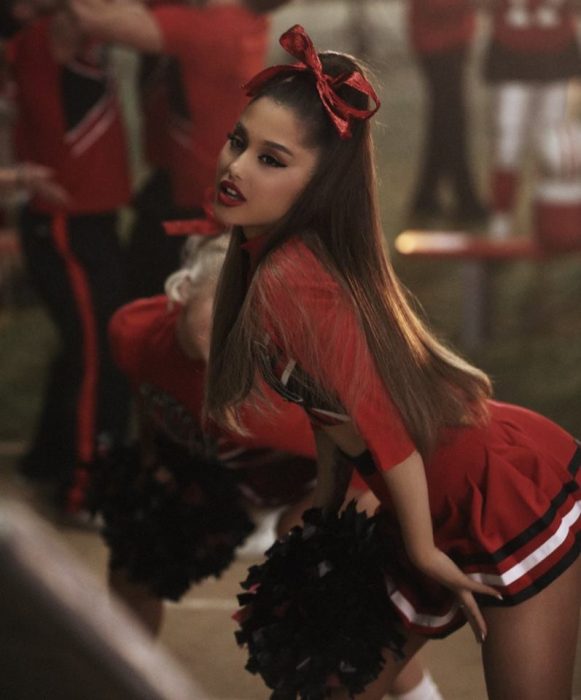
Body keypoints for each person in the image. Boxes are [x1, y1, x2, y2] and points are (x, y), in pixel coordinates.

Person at [204, 24, 580, 700]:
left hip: (495, 488)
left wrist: (421, 549)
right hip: (427, 501)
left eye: (271, 158)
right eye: (239, 142)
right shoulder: (273, 267)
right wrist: (323, 518)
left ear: (316, 187)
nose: (235, 167)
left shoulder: (290, 278)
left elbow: (381, 421)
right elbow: (333, 417)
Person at [101, 223, 442, 700]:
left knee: (326, 587)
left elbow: (385, 455)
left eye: (241, 320)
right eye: (217, 311)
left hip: (321, 478)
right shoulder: (132, 333)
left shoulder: (282, 391)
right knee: (137, 556)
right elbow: (150, 394)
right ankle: (122, 680)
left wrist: (342, 530)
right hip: (216, 469)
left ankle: (419, 694)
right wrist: (152, 457)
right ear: (181, 292)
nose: (226, 334)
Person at [70, 0, 292, 299]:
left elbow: (90, 19)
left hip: (202, 203)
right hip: (185, 184)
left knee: (156, 303)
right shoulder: (226, 18)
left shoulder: (220, 25)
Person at [4, 4, 132, 513]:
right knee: (101, 353)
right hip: (66, 226)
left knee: (88, 350)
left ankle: (49, 461)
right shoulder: (49, 34)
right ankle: (84, 491)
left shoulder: (66, 31)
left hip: (87, 223)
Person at [478, 0, 581, 239]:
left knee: (551, 143)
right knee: (508, 141)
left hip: (555, 50)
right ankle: (501, 218)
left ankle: (547, 217)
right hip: (512, 51)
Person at [407, 0, 486, 227]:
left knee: (444, 119)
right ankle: (464, 198)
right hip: (439, 41)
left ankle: (427, 195)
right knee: (453, 120)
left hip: (448, 39)